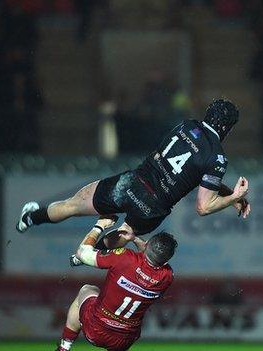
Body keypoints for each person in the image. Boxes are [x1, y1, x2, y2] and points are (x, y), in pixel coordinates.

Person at [16, 99, 251, 251]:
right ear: (228, 128)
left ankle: (31, 219)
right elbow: (204, 206)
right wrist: (234, 198)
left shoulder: (185, 126)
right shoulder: (217, 157)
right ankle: (88, 254)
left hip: (131, 183)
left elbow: (193, 162)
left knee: (72, 205)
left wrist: (231, 194)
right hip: (153, 208)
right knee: (126, 234)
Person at [57, 216, 176, 351]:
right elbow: (153, 259)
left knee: (87, 289)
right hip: (125, 340)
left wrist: (99, 226)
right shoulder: (168, 276)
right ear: (166, 262)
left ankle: (64, 347)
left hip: (96, 331)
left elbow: (81, 253)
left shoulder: (125, 258)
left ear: (147, 244)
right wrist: (134, 238)